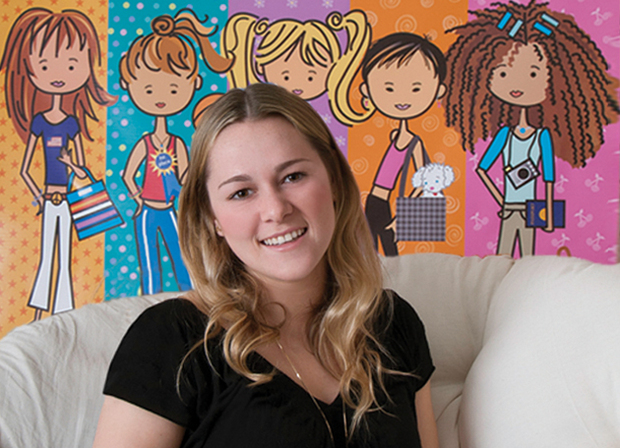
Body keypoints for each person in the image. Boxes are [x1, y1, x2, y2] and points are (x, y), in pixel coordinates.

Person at [93, 83, 439, 448]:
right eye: (241, 193)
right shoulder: (169, 339)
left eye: (293, 177)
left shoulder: (394, 323)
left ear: (334, 181)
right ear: (213, 219)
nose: (275, 209)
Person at [442, 0, 619, 256]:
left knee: (530, 260)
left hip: (532, 210)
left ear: (553, 79)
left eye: (534, 74)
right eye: (503, 74)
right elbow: (482, 169)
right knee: (499, 263)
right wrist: (501, 200)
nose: (517, 84)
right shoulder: (504, 135)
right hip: (509, 208)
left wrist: (547, 213)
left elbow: (548, 176)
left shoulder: (542, 136)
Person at [0, 8, 116, 320]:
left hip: (67, 201)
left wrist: (70, 163)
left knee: (64, 257)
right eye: (45, 65)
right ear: (30, 69)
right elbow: (25, 168)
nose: (58, 73)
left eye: (71, 64)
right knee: (46, 257)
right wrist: (38, 195)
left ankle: (63, 314)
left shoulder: (71, 123)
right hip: (48, 200)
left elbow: (83, 170)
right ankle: (39, 314)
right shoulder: (39, 121)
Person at [120, 11, 232, 294]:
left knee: (183, 264)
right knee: (149, 265)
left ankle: (190, 303)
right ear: (127, 83)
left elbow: (186, 179)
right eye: (148, 89)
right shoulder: (144, 144)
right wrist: (138, 198)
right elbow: (128, 175)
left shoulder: (178, 144)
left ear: (194, 83)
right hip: (146, 211)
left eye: (173, 89)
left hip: (170, 210)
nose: (160, 97)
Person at [333, 33, 447, 256]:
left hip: (383, 202)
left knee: (382, 253)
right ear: (367, 90)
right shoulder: (395, 135)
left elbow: (426, 182)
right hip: (374, 201)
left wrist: (402, 217)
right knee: (373, 253)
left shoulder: (414, 142)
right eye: (389, 88)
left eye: (416, 89)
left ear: (438, 91)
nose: (402, 98)